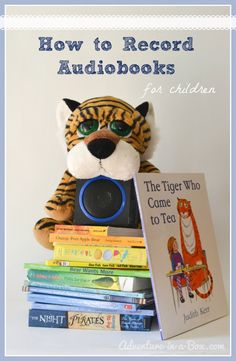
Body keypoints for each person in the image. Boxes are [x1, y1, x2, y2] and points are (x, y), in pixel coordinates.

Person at [167, 236, 194, 303]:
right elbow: (173, 266)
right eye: (174, 245)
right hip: (176, 274)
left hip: (181, 272)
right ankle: (181, 296)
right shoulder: (173, 256)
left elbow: (182, 262)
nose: (176, 245)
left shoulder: (179, 254)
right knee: (178, 280)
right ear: (171, 247)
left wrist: (184, 266)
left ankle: (189, 292)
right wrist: (176, 268)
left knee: (186, 277)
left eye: (176, 243)